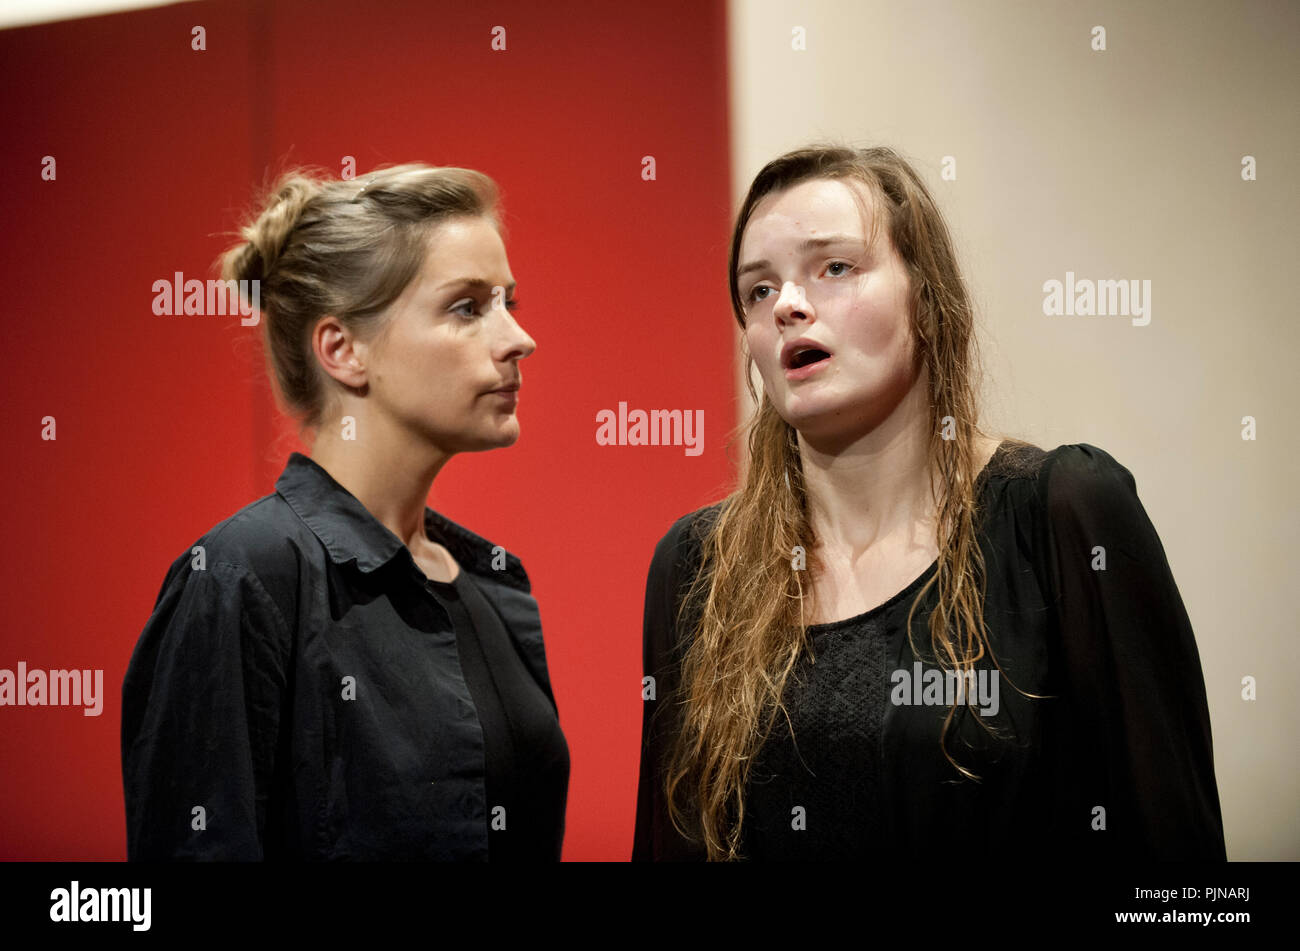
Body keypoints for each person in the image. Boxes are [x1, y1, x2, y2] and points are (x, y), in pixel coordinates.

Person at [633, 145, 1226, 861]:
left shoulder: (1064, 513)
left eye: (835, 268)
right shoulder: (699, 566)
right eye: (758, 290)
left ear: (927, 293)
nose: (788, 305)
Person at [122, 163, 569, 861]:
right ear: (343, 350)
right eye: (467, 307)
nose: (518, 338)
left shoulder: (493, 587)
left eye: (510, 301)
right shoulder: (242, 578)